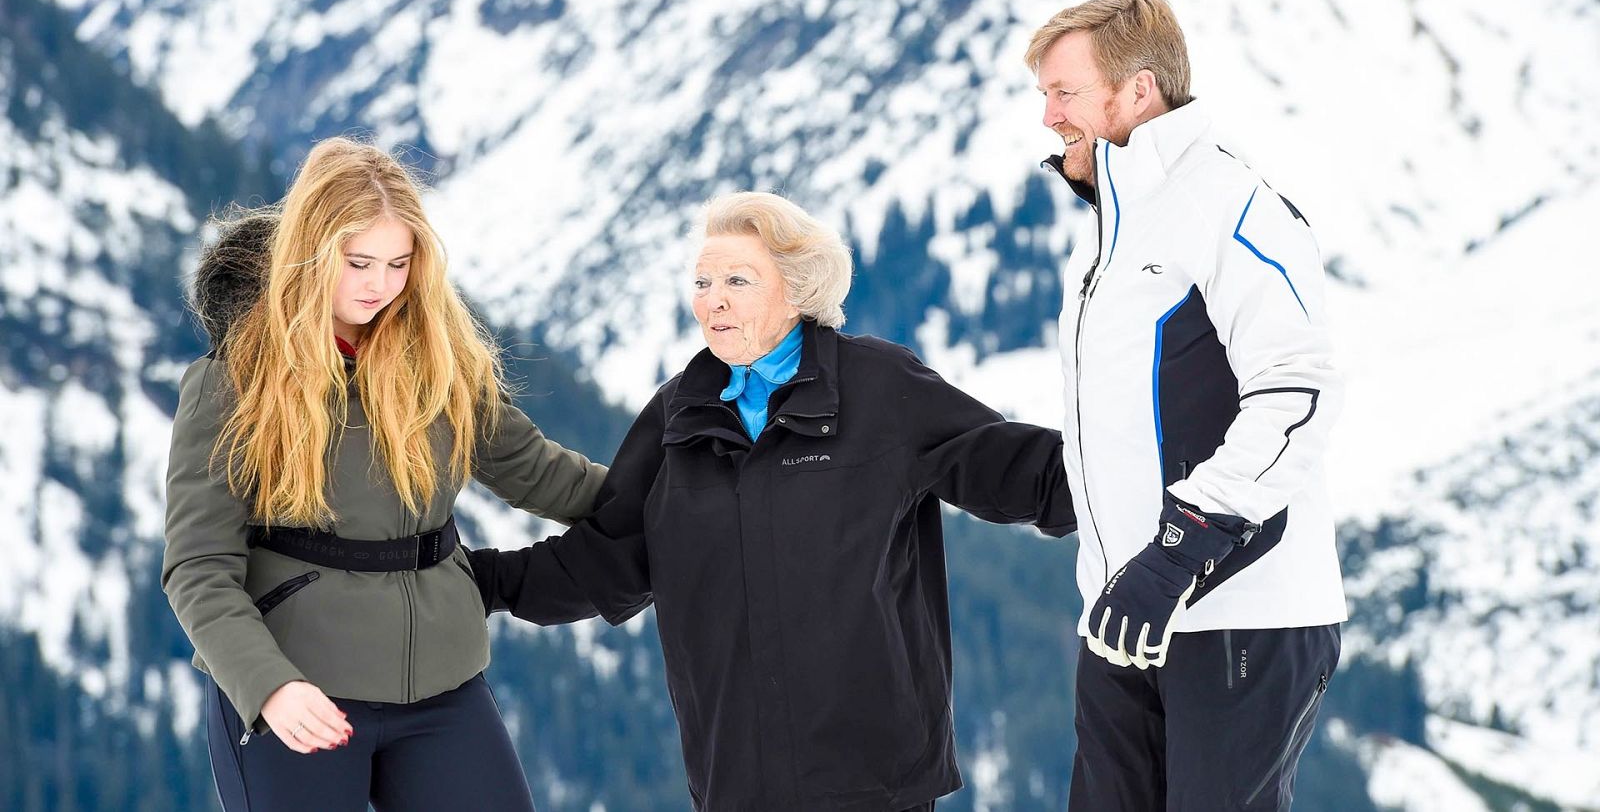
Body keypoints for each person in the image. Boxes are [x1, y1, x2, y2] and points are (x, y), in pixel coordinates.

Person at [469, 191, 1076, 812]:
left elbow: (1010, 467)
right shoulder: (680, 412)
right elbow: (609, 559)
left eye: (737, 279)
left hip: (872, 775)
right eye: (703, 281)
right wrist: (475, 579)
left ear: (798, 291)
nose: (713, 299)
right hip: (737, 776)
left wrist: (1131, 479)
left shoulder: (879, 387)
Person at [162, 137, 607, 811]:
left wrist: (679, 502)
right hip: (297, 693)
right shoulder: (234, 384)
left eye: (399, 263)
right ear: (310, 252)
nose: (379, 284)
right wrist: (268, 686)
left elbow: (545, 476)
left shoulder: (441, 366)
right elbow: (197, 566)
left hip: (444, 691)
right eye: (358, 261)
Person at [1025, 0, 1347, 810]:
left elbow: (1297, 390)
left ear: (1137, 89)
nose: (1048, 115)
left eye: (1064, 92)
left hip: (1238, 606)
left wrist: (1179, 548)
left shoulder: (1229, 204)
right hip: (1124, 615)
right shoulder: (1114, 229)